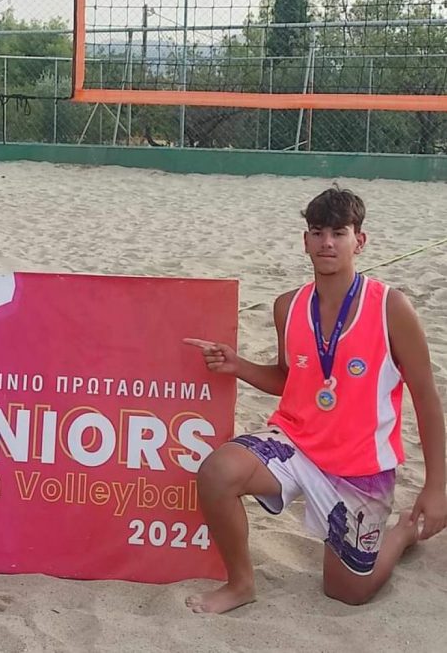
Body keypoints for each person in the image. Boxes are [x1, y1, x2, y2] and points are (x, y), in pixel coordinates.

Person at [183, 187, 447, 613]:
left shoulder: (390, 307)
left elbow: (427, 399)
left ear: (359, 241)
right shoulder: (288, 306)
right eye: (317, 231)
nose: (327, 242)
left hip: (361, 466)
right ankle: (241, 584)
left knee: (347, 592)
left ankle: (400, 534)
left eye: (338, 233)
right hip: (295, 444)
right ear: (305, 240)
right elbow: (290, 379)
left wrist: (436, 488)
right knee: (217, 472)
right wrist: (239, 365)